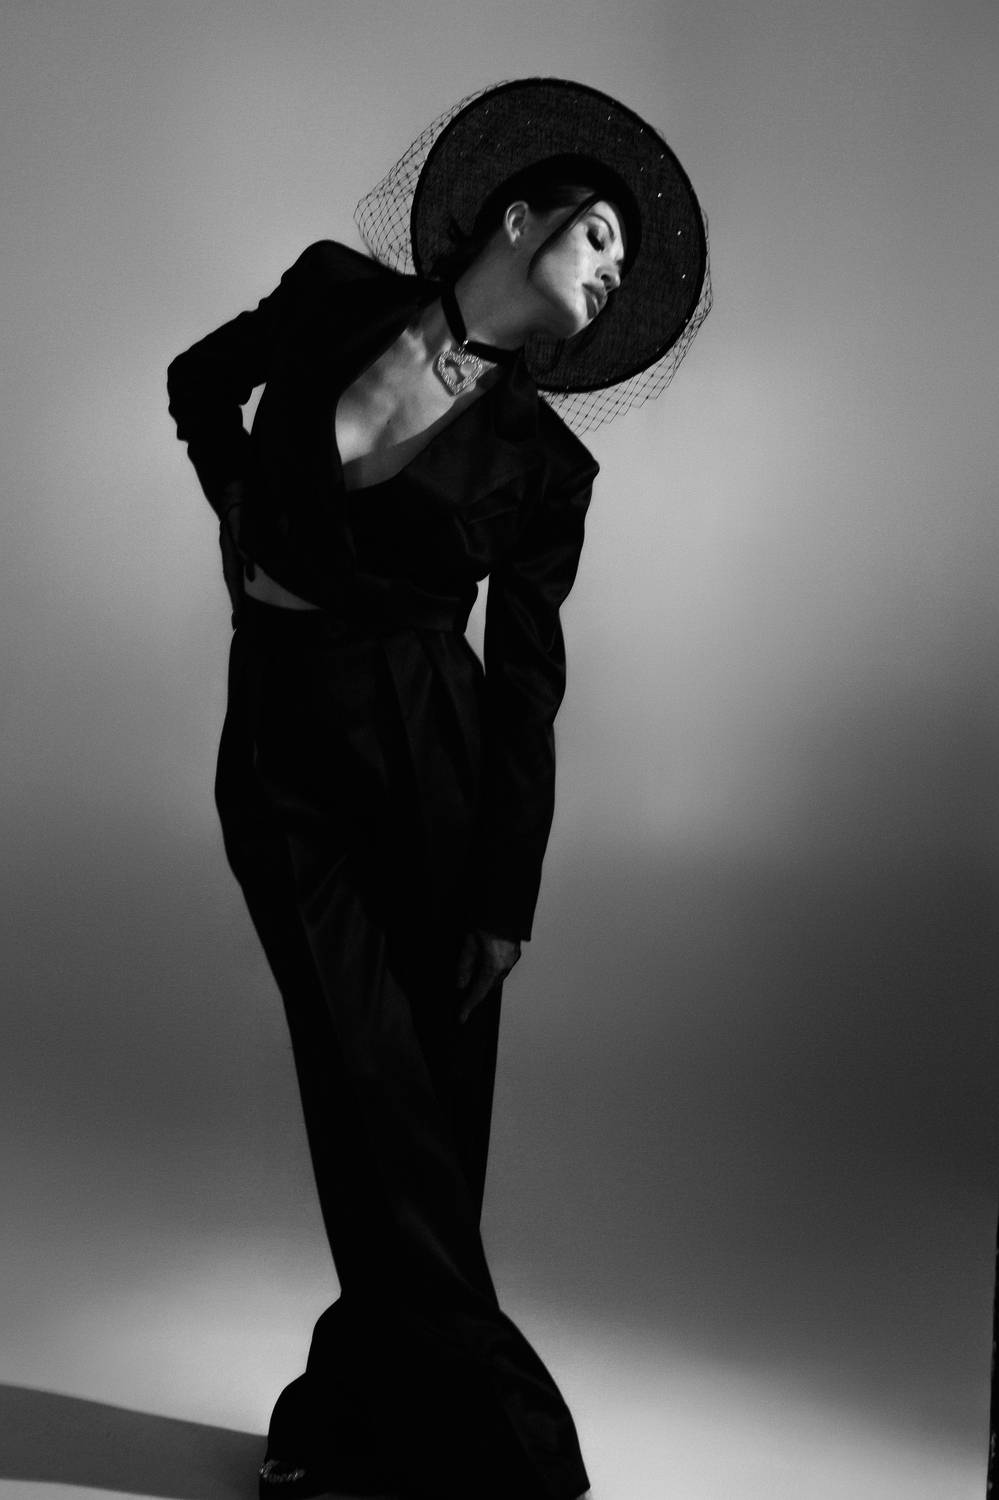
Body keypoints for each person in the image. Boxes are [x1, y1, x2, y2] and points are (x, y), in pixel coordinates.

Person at [167, 77, 710, 1500]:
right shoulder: (330, 294)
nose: (612, 269)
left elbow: (526, 687)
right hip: (277, 748)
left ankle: (356, 1413)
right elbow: (196, 380)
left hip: (433, 770)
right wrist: (240, 504)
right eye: (599, 234)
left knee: (429, 1127)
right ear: (518, 215)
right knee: (363, 1092)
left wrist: (504, 899)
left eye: (624, 268)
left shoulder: (548, 469)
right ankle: (518, 1455)